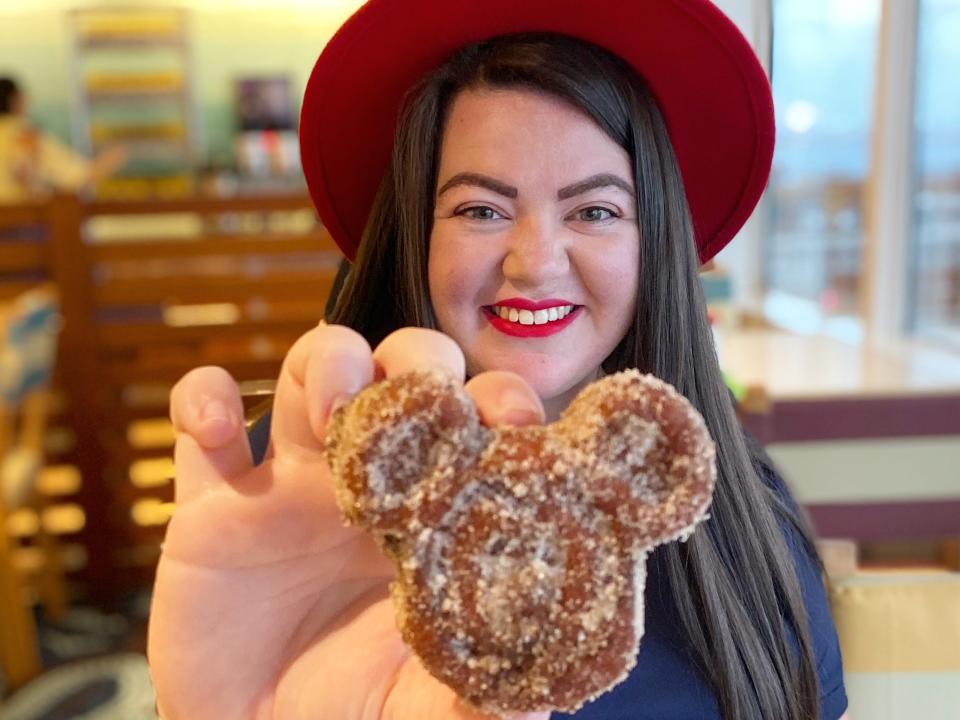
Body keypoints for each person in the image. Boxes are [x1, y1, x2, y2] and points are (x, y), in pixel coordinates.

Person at [148, 1, 850, 719]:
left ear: (655, 242)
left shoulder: (742, 508)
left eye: (596, 211)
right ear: (416, 231)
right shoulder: (295, 493)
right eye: (481, 210)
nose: (536, 263)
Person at [0, 76, 126, 203]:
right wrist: (115, 156)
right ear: (16, 100)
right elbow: (80, 177)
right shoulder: (25, 136)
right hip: (21, 218)